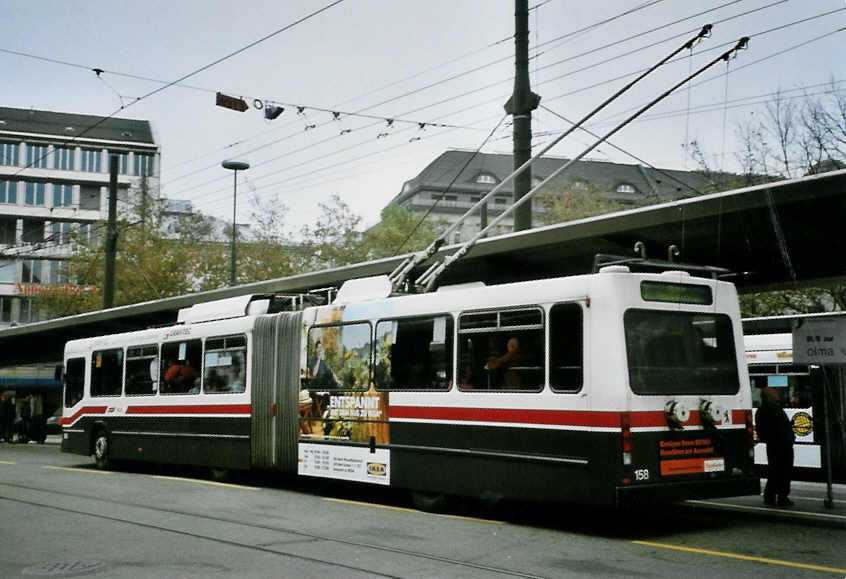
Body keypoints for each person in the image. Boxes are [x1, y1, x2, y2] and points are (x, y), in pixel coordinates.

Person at [756, 386, 795, 506]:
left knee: (775, 471)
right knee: (783, 471)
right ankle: (781, 497)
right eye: (774, 394)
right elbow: (778, 428)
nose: (777, 395)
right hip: (779, 444)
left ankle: (771, 496)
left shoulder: (764, 410)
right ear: (768, 397)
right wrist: (787, 437)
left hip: (776, 444)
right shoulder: (771, 410)